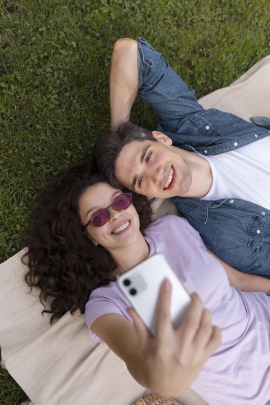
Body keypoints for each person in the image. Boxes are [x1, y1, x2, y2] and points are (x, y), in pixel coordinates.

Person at [23, 163, 270, 404]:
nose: (115, 214)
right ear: (87, 236)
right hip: (256, 391)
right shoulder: (106, 303)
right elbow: (135, 357)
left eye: (119, 201)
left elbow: (236, 280)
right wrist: (164, 379)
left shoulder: (172, 227)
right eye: (98, 217)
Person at [95, 37, 270, 278]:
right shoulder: (225, 236)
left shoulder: (188, 126)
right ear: (144, 195)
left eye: (147, 157)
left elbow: (129, 52)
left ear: (162, 138)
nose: (155, 174)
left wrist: (119, 131)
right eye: (139, 181)